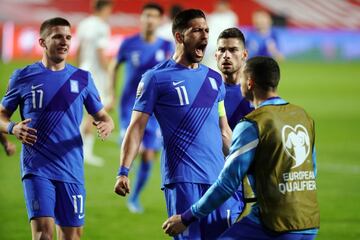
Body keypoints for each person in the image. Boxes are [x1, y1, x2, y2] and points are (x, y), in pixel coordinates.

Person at [114, 9, 241, 239]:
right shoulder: (155, 78)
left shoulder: (214, 80)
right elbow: (136, 128)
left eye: (206, 31)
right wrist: (123, 171)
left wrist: (241, 170)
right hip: (184, 180)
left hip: (218, 181)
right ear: (180, 37)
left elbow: (224, 131)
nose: (204, 36)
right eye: (196, 30)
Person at [162, 56, 320, 239]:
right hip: (309, 221)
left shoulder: (253, 123)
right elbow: (311, 169)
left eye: (242, 79)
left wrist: (187, 217)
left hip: (275, 222)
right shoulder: (303, 116)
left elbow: (227, 183)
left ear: (250, 82)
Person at [0, 17, 114, 240]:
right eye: (58, 37)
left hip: (71, 169)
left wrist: (107, 124)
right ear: (42, 42)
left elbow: (103, 115)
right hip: (37, 168)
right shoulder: (23, 77)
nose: (64, 42)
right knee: (43, 234)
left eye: (68, 37)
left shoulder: (82, 79)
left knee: (72, 236)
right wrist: (12, 128)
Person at [109, 2, 173, 213]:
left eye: (154, 16)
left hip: (155, 109)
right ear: (141, 18)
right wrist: (111, 93)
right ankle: (126, 164)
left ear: (160, 20)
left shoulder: (166, 46)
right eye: (146, 15)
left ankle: (134, 198)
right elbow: (114, 66)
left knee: (148, 155)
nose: (149, 20)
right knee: (139, 148)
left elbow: (171, 74)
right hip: (130, 106)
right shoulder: (129, 43)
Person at [76, 0, 113, 166]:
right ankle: (86, 153)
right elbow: (100, 52)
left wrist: (77, 69)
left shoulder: (84, 24)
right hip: (96, 75)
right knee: (94, 112)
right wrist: (109, 72)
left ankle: (79, 149)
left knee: (85, 113)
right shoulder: (102, 27)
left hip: (82, 70)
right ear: (104, 9)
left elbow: (78, 49)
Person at [216, 27, 253, 130]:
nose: (226, 55)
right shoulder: (209, 91)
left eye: (233, 50)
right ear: (215, 55)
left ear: (244, 54)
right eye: (222, 50)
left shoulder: (256, 92)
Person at [203, 0, 238, 71]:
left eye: (222, 5)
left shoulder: (231, 16)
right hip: (209, 51)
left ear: (227, 5)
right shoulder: (212, 16)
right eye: (219, 4)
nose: (220, 7)